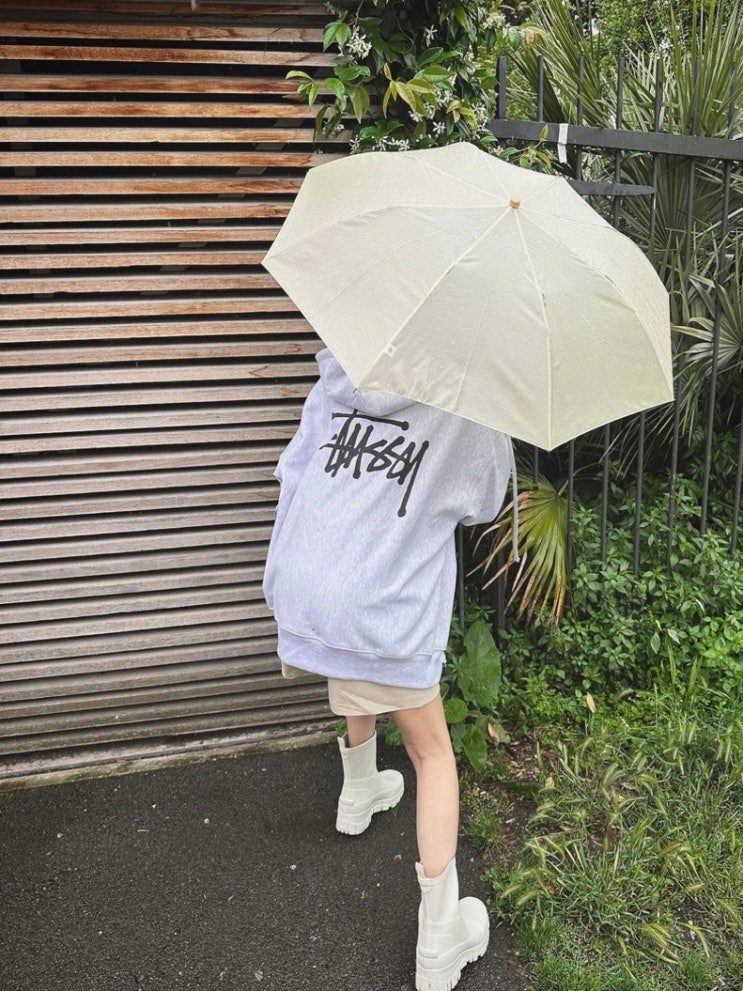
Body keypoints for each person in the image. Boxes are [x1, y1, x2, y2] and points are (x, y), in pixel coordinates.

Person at [263, 347, 514, 991]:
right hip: (384, 602)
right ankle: (441, 937)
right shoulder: (469, 397)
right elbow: (485, 500)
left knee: (349, 653)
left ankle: (361, 788)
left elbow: (294, 467)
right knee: (432, 754)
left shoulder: (351, 362)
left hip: (309, 581)